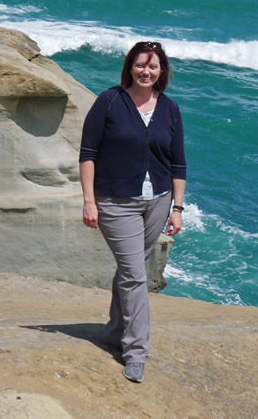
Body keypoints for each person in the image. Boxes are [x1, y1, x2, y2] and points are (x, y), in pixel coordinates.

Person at [79, 41, 186, 384]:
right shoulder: (109, 101)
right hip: (115, 201)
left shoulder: (169, 108)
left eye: (153, 67)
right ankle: (136, 350)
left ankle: (114, 332)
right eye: (141, 65)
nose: (146, 72)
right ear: (130, 67)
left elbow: (178, 163)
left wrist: (177, 208)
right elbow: (88, 154)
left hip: (158, 200)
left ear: (161, 71)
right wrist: (89, 200)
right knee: (135, 273)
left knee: (131, 268)